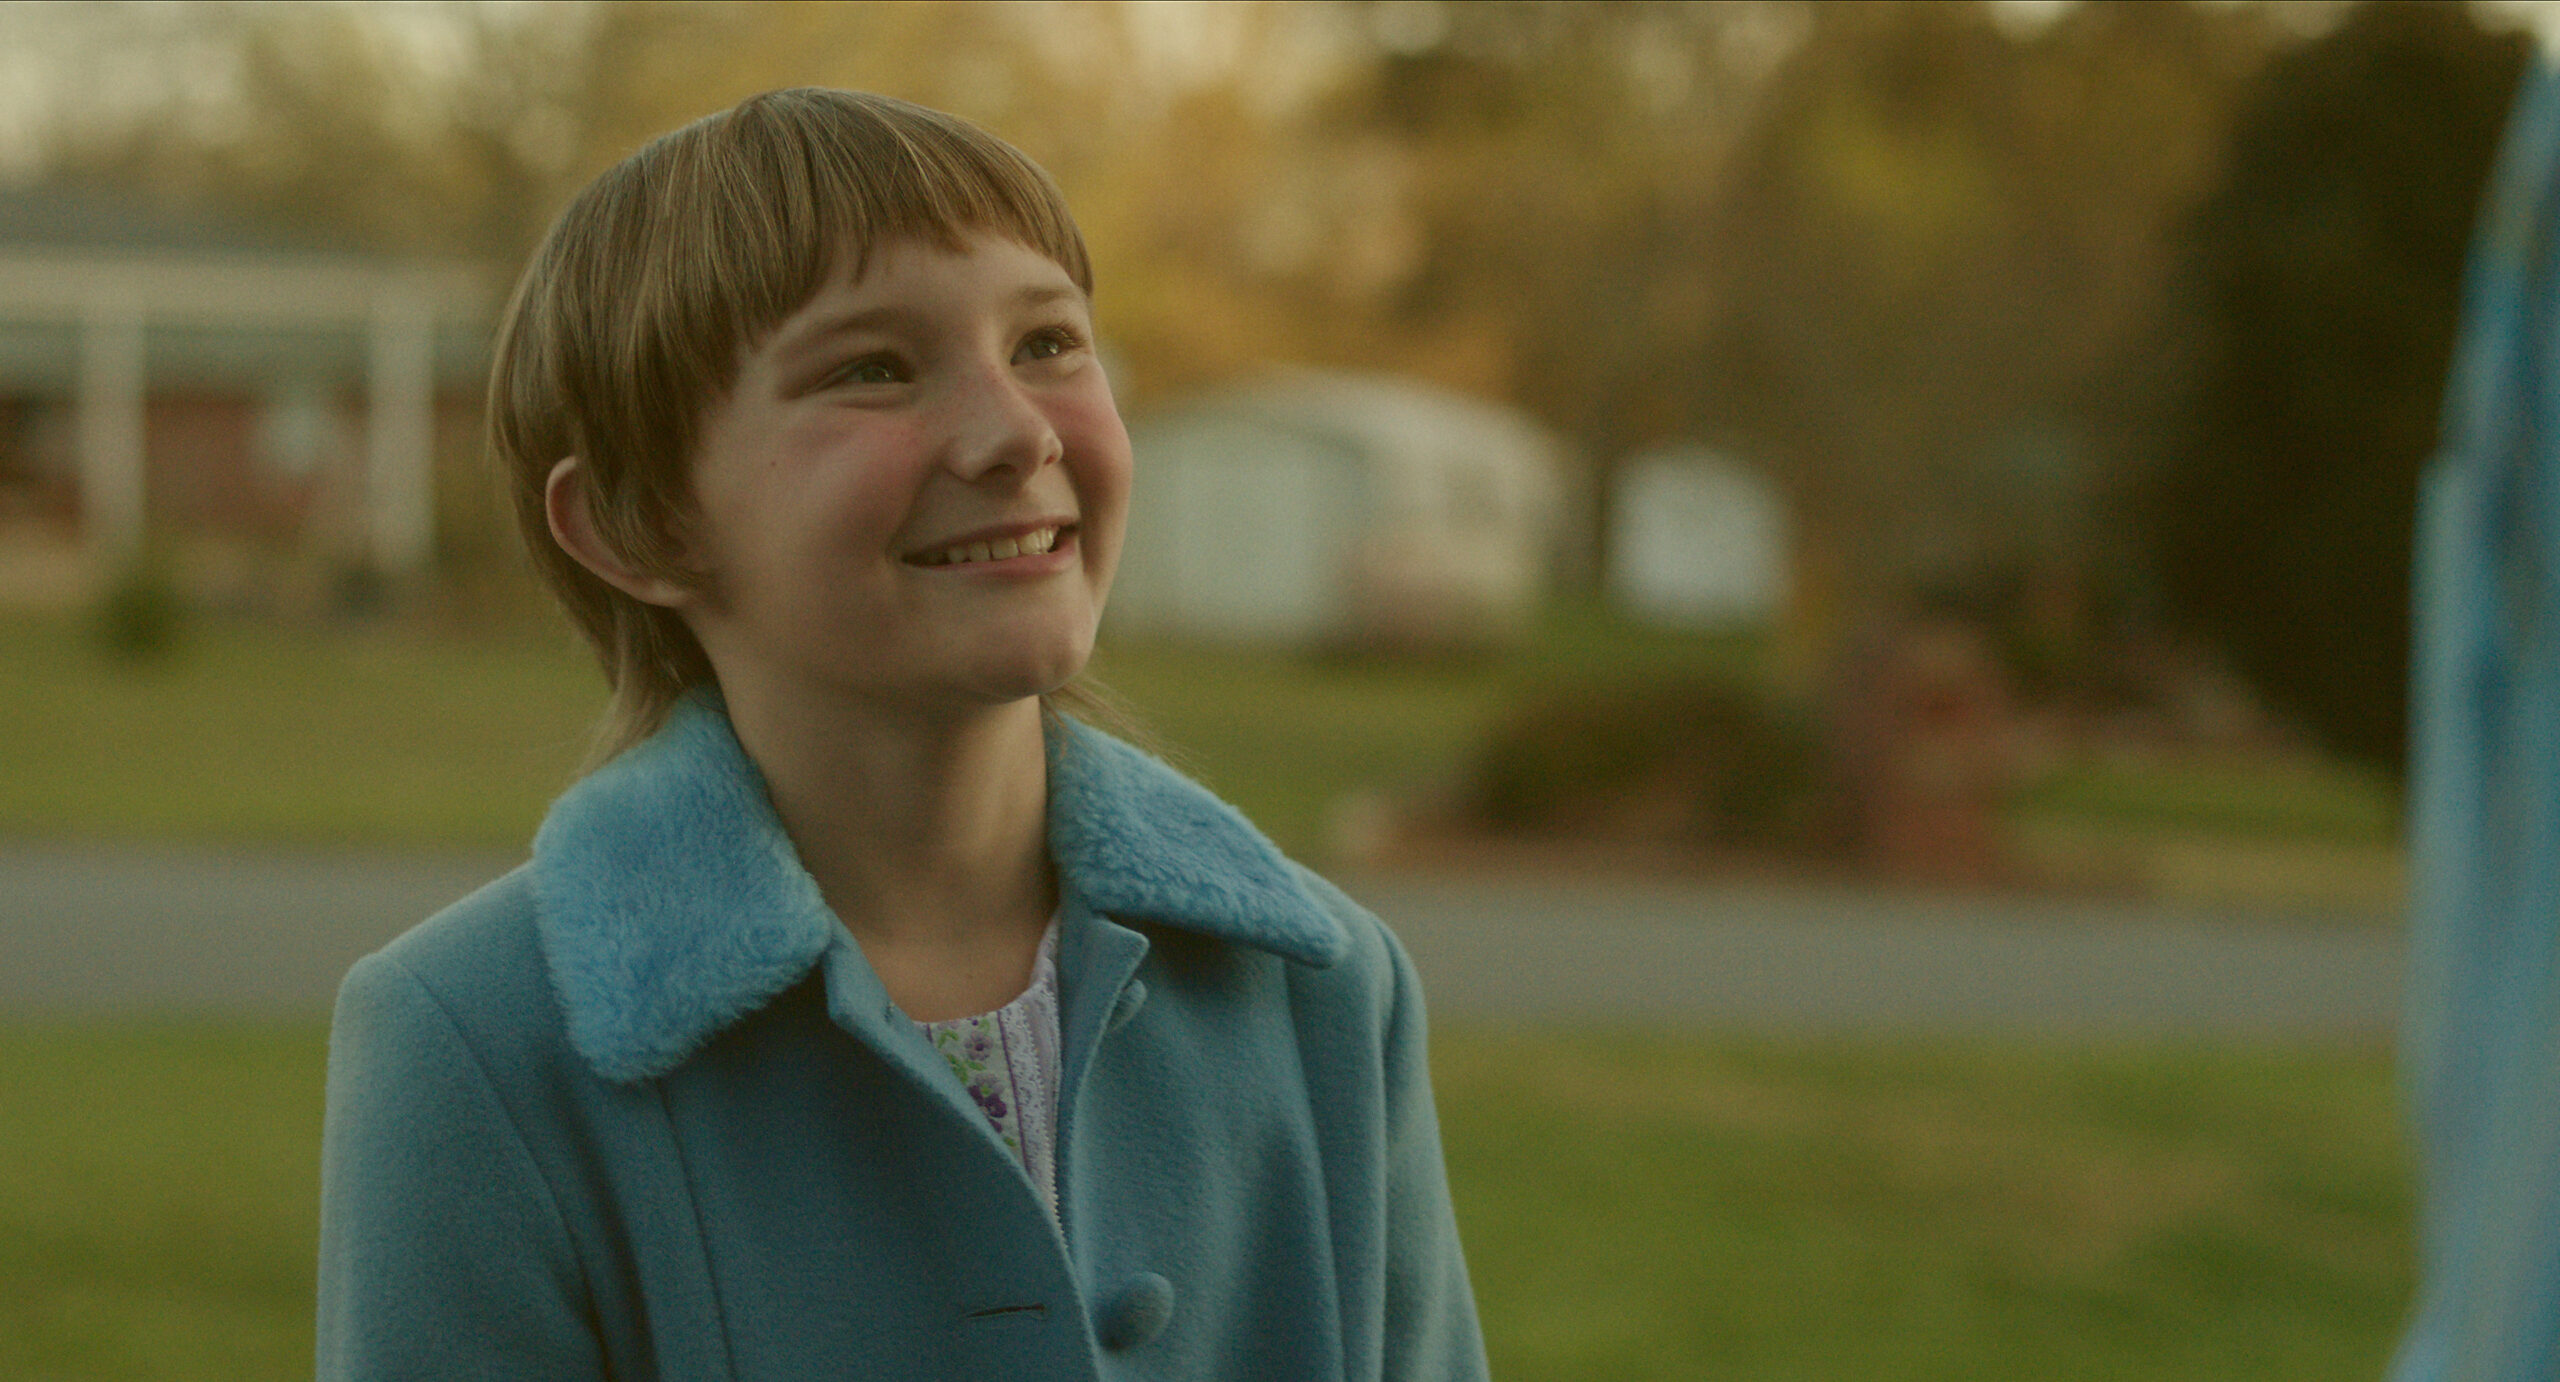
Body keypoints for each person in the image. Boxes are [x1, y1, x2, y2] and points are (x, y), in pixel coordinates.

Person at [315, 87, 1488, 1381]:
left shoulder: (1321, 989)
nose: (1018, 431)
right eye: (872, 368)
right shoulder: (476, 1043)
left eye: (1049, 342)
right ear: (638, 524)